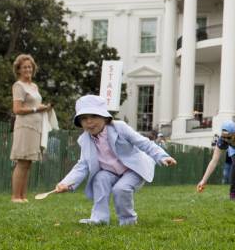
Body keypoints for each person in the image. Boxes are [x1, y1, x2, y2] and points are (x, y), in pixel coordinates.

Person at [54, 95, 176, 225]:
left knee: (121, 189)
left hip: (133, 169)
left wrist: (162, 156)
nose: (89, 122)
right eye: (84, 118)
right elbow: (82, 165)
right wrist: (67, 183)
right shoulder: (85, 140)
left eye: (94, 116)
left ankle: (128, 220)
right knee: (99, 178)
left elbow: (143, 143)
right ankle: (99, 219)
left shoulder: (119, 128)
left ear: (105, 118)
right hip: (110, 172)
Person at [10, 54, 52, 203]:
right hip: (24, 127)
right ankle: (15, 197)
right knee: (21, 161)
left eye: (30, 67)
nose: (28, 69)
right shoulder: (18, 86)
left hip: (35, 127)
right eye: (24, 67)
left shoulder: (34, 86)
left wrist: (45, 109)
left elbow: (36, 106)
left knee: (28, 162)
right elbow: (17, 109)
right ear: (19, 70)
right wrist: (36, 109)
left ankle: (23, 196)